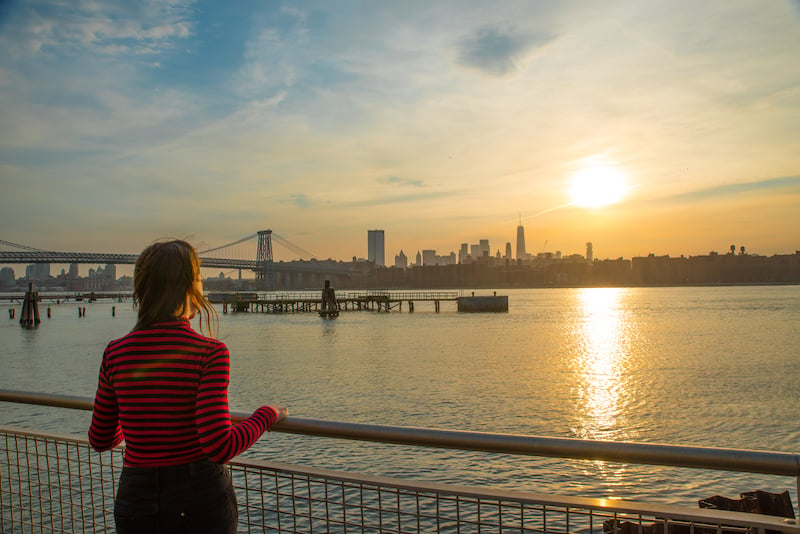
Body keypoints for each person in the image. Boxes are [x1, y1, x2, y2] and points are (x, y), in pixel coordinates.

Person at [88, 239, 288, 533]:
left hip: (136, 499)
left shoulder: (115, 352)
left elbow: (101, 438)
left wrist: (138, 414)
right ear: (190, 288)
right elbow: (220, 445)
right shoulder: (209, 353)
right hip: (198, 501)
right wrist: (268, 414)